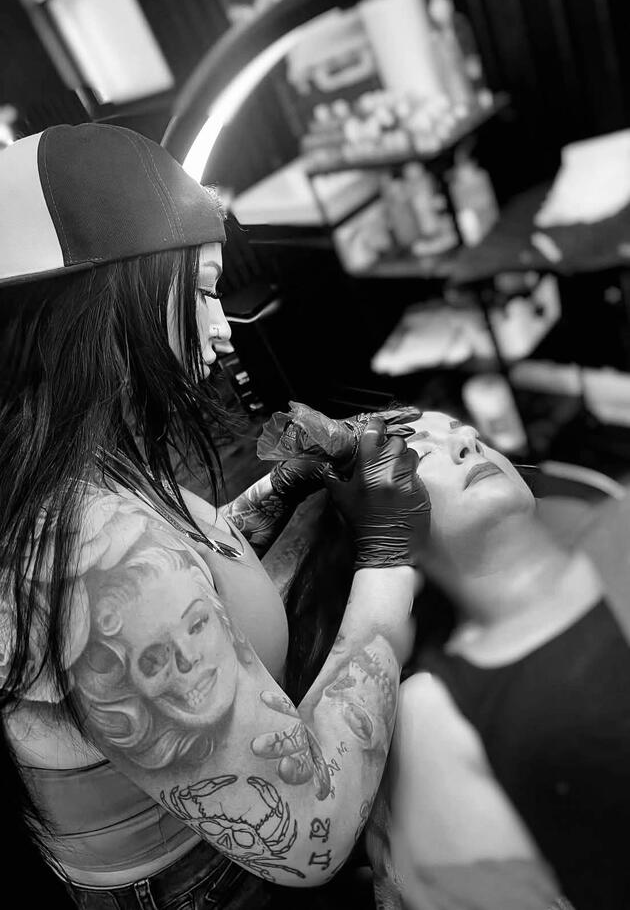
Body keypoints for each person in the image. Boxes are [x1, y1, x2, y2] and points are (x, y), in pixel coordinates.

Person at [0, 123, 429, 909]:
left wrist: (283, 488)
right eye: (202, 290)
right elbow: (309, 832)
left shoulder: (70, 473)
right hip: (213, 884)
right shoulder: (83, 549)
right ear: (107, 300)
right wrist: (389, 563)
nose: (222, 328)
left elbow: (171, 571)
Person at [284, 407, 626, 909]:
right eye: (418, 453)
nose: (468, 438)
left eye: (463, 430)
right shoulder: (430, 713)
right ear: (379, 527)